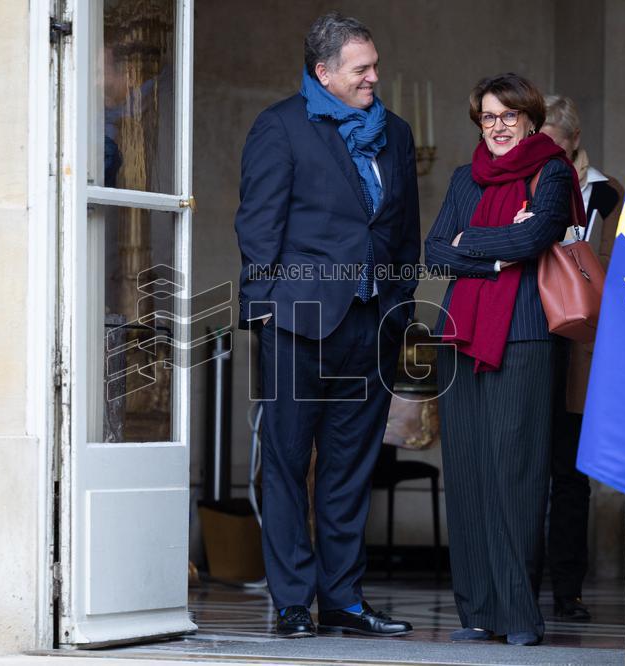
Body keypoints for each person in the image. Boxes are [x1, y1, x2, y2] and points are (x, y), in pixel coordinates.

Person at [233, 11, 419, 639]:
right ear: (324, 73)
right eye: (361, 68)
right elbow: (257, 230)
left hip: (370, 326)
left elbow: (401, 234)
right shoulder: (280, 127)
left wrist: (398, 306)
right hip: (297, 325)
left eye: (375, 65)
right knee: (286, 464)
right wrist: (268, 310)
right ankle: (292, 601)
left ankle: (342, 600)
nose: (374, 77)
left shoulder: (394, 132)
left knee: (349, 469)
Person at [424, 73, 585, 646]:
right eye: (488, 117)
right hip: (459, 336)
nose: (496, 127)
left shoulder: (553, 172)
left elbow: (533, 240)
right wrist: (490, 250)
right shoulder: (465, 178)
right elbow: (434, 250)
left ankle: (519, 615)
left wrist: (473, 242)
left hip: (523, 337)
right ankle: (479, 611)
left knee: (516, 475)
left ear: (530, 120)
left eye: (507, 116)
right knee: (467, 475)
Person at [539, 94, 625, 622]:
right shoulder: (520, 183)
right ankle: (516, 583)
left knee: (569, 472)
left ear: (572, 142)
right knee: (527, 469)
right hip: (528, 339)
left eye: (551, 144)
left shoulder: (606, 195)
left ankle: (567, 587)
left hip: (578, 346)